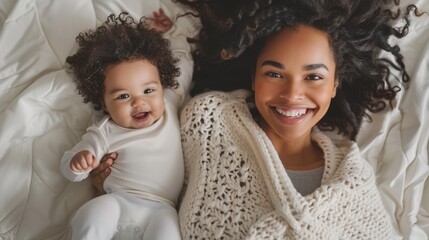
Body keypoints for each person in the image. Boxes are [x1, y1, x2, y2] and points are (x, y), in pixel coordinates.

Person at [91, 0, 420, 239]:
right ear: (253, 75)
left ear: (335, 84)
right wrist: (112, 184)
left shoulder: (354, 177)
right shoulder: (208, 122)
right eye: (274, 73)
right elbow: (154, 164)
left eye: (314, 78)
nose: (292, 94)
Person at [60, 9, 193, 240]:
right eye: (123, 96)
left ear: (163, 85)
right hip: (117, 201)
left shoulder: (169, 103)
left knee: (169, 233)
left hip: (162, 208)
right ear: (102, 101)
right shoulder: (105, 131)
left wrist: (171, 32)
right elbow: (70, 169)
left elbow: (184, 62)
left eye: (149, 90)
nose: (139, 102)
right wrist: (77, 163)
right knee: (93, 214)